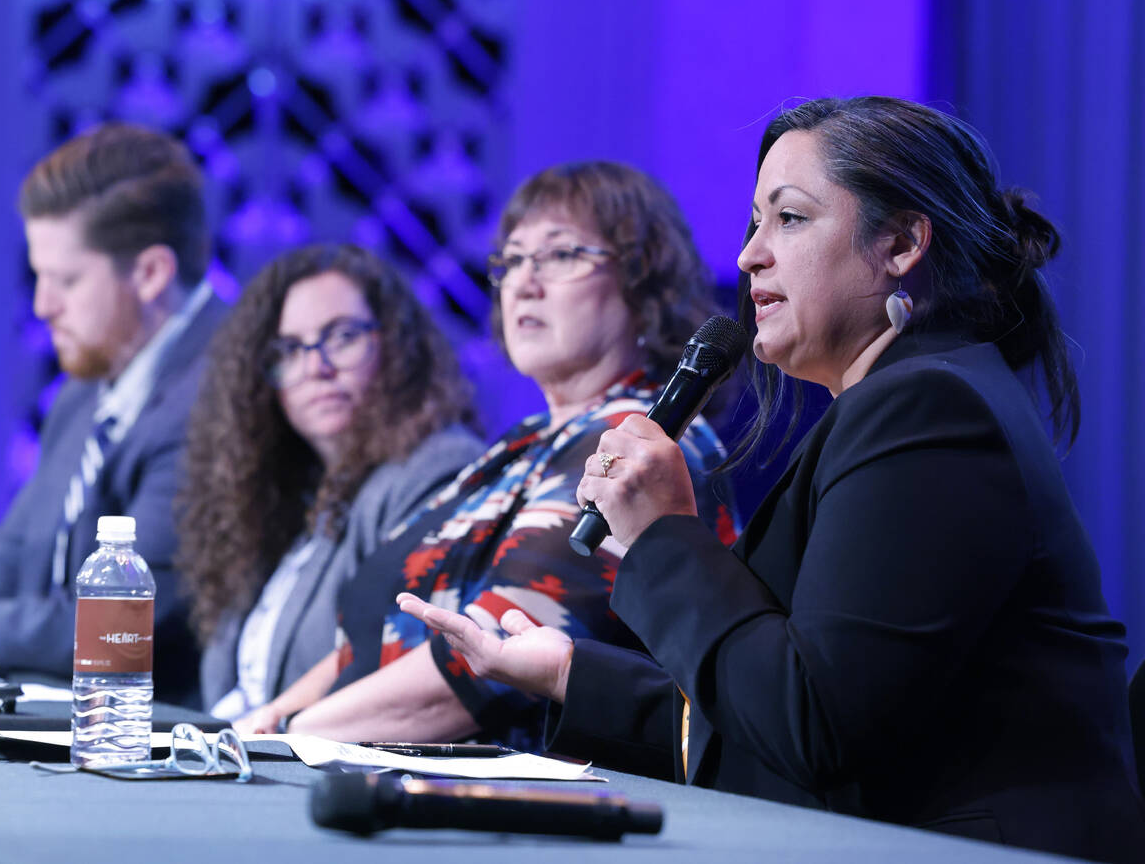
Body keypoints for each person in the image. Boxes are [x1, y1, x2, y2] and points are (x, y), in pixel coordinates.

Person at [399, 97, 1145, 862]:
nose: (752, 254)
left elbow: (814, 726)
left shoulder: (929, 409)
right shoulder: (906, 402)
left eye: (789, 219)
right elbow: (776, 707)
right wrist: (566, 672)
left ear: (900, 242)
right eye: (755, 223)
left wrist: (661, 535)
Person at [237, 161, 741, 750]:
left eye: (560, 256)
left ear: (641, 282)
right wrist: (268, 719)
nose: (525, 283)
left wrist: (289, 735)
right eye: (514, 260)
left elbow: (486, 664)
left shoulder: (642, 443)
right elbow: (370, 634)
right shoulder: (514, 447)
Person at [0, 123, 225, 703]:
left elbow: (111, 623)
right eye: (39, 277)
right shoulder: (86, 388)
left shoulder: (221, 397)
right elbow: (7, 561)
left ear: (150, 274)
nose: (43, 305)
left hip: (154, 738)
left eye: (65, 280)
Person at [178, 243, 485, 718]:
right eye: (290, 349)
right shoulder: (295, 496)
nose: (316, 367)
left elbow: (387, 648)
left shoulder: (435, 467)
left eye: (342, 336)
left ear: (396, 344)